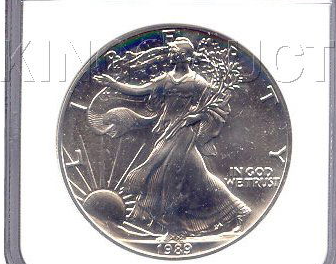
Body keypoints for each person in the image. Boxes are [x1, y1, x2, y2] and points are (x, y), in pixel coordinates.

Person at [93, 37, 250, 238]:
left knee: (165, 175)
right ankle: (239, 211)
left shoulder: (198, 82)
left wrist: (195, 117)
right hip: (167, 130)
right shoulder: (166, 79)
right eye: (171, 50)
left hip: (183, 133)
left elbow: (215, 108)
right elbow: (140, 91)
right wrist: (114, 83)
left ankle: (174, 229)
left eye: (175, 51)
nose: (170, 53)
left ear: (186, 56)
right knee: (200, 177)